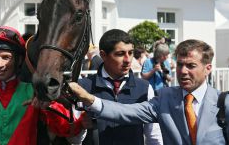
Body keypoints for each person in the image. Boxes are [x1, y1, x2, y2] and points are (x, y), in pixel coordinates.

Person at [69, 39, 228, 144]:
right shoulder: (165, 98)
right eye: (179, 65)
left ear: (208, 69)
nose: (183, 71)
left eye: (191, 66)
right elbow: (126, 112)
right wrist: (90, 100)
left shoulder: (224, 103)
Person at [0, 26, 86, 145]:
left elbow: (65, 129)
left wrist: (48, 106)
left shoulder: (34, 93)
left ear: (18, 60)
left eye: (6, 57)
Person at [79, 29, 163, 145]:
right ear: (103, 55)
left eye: (131, 53)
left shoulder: (144, 87)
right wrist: (81, 127)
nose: (128, 60)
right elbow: (74, 140)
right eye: (120, 54)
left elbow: (154, 135)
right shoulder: (83, 88)